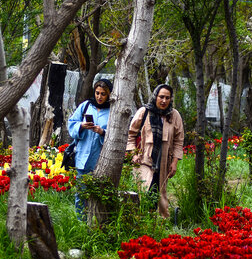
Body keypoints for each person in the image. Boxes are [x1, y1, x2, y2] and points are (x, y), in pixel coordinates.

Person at [126, 84, 184, 218]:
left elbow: (178, 141)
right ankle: (140, 220)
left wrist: (174, 162)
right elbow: (130, 134)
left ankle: (159, 222)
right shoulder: (144, 112)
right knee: (144, 189)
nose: (164, 101)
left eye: (167, 98)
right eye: (161, 97)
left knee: (159, 190)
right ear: (155, 96)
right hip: (144, 159)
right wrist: (133, 154)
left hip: (164, 161)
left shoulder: (174, 115)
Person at [68, 79, 112, 219]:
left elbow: (116, 134)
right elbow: (71, 123)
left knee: (99, 192)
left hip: (100, 157)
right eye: (97, 93)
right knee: (81, 192)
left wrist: (102, 132)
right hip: (83, 155)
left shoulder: (112, 111)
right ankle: (80, 221)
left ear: (109, 95)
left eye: (103, 94)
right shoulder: (86, 106)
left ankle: (96, 221)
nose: (99, 97)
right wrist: (81, 126)